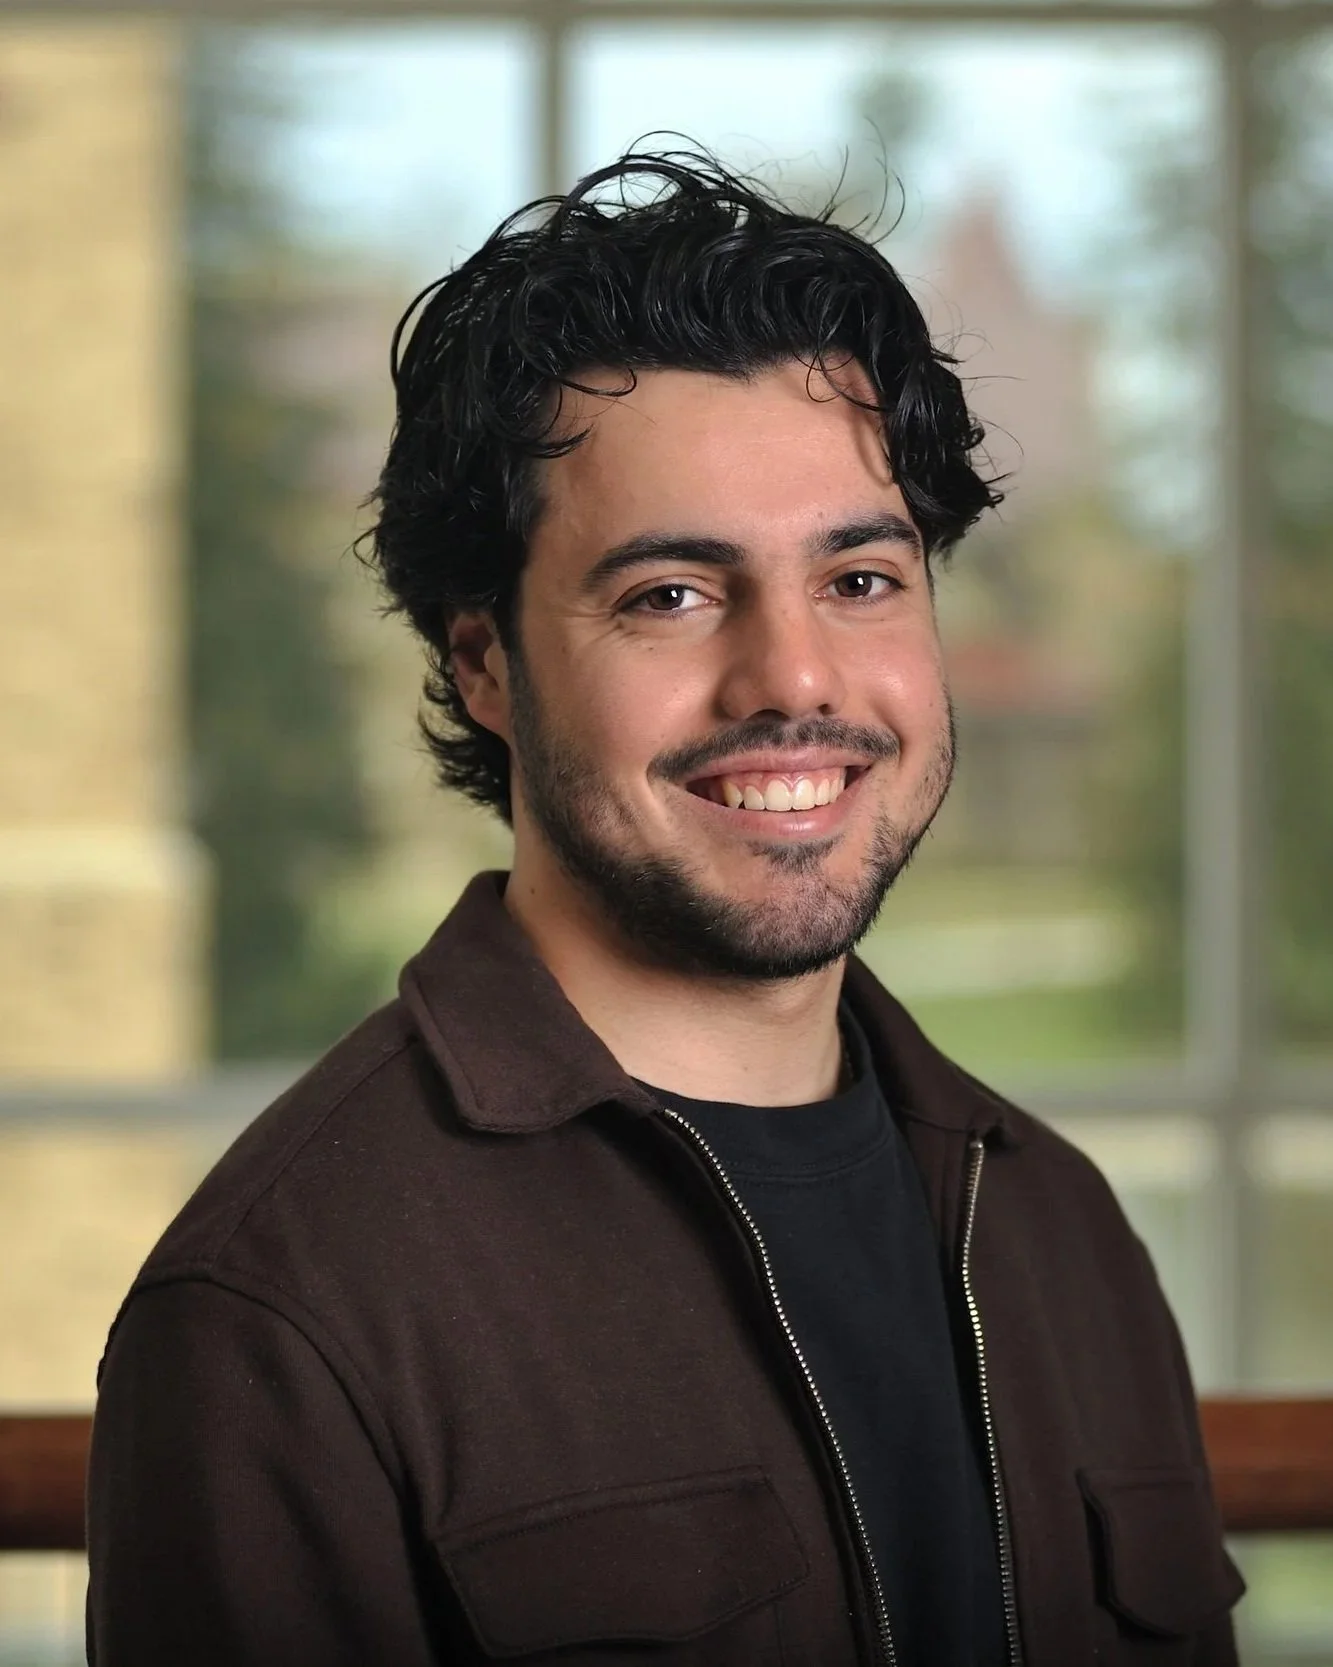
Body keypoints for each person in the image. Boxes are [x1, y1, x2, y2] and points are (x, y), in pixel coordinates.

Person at [87, 151, 1243, 1666]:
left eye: (863, 578)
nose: (795, 678)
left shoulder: (1062, 1229)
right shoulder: (281, 1309)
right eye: (671, 594)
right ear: (483, 664)